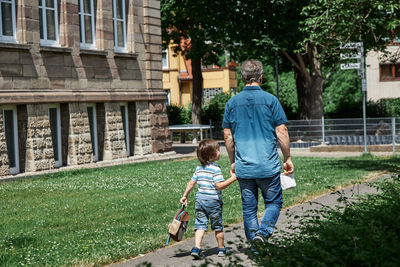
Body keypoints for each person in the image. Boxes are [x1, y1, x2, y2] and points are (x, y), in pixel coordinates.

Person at [222, 59, 294, 246]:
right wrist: (287, 158)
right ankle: (263, 233)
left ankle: (255, 249)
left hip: (244, 167)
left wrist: (232, 161)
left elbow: (228, 137)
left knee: (249, 209)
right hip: (268, 166)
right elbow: (282, 131)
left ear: (243, 78)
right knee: (274, 203)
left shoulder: (231, 103)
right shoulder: (271, 100)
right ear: (260, 77)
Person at [180, 139, 237, 259]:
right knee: (217, 226)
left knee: (200, 225)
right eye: (217, 150)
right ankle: (221, 249)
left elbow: (191, 183)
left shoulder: (198, 169)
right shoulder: (216, 169)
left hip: (200, 201)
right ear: (211, 155)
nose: (219, 151)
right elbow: (219, 186)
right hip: (213, 202)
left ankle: (197, 247)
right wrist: (234, 178)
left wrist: (185, 195)